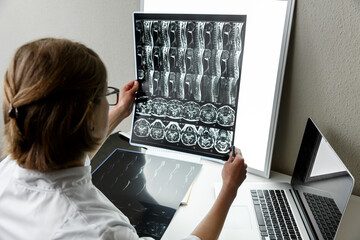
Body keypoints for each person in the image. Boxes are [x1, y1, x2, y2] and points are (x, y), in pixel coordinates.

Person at [0, 38, 247, 240]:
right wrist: (229, 189)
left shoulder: (7, 171)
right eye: (105, 96)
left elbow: (64, 146)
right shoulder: (100, 231)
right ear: (88, 116)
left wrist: (117, 114)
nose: (110, 103)